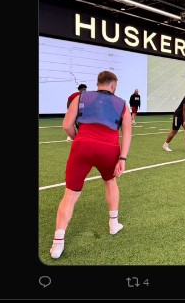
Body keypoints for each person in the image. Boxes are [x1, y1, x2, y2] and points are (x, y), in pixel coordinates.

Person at [50, 71, 132, 259]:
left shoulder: (80, 97)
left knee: (70, 194)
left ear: (98, 83)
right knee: (110, 182)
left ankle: (57, 244)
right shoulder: (122, 104)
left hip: (82, 147)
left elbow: (66, 125)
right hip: (109, 149)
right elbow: (127, 133)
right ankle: (113, 224)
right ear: (114, 86)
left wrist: (77, 138)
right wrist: (123, 158)